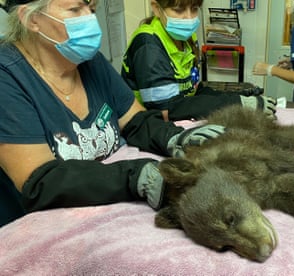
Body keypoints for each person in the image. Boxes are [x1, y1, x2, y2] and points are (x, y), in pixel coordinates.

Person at [0, 0, 227, 227]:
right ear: (32, 19)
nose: (90, 19)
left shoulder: (90, 62)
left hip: (105, 216)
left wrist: (175, 138)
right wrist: (135, 176)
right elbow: (40, 181)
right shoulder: (7, 78)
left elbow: (136, 122)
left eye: (92, 8)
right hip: (38, 231)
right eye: (75, 9)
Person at [121, 0, 276, 122]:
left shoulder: (187, 38)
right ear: (156, 8)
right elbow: (166, 112)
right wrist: (235, 104)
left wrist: (237, 96)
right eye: (178, 9)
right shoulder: (149, 46)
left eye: (194, 8)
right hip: (151, 127)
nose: (189, 18)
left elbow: (193, 92)